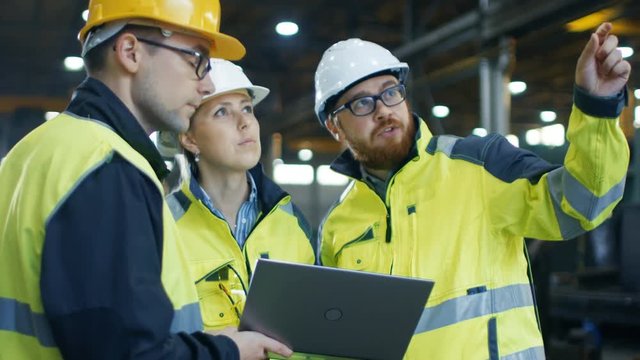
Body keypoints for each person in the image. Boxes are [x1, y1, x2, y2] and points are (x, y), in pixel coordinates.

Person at [314, 22, 631, 359]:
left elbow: (584, 203)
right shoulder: (337, 225)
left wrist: (596, 107)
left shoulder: (480, 165)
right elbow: (335, 335)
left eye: (390, 91)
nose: (383, 111)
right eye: (362, 103)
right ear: (335, 126)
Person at [0, 0, 291, 359]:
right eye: (196, 60)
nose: (207, 83)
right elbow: (127, 352)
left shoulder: (34, 150)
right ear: (130, 52)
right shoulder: (107, 167)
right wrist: (226, 352)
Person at [165, 59, 315, 330]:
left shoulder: (291, 220)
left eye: (247, 108)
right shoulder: (162, 227)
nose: (244, 122)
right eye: (222, 112)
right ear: (190, 139)